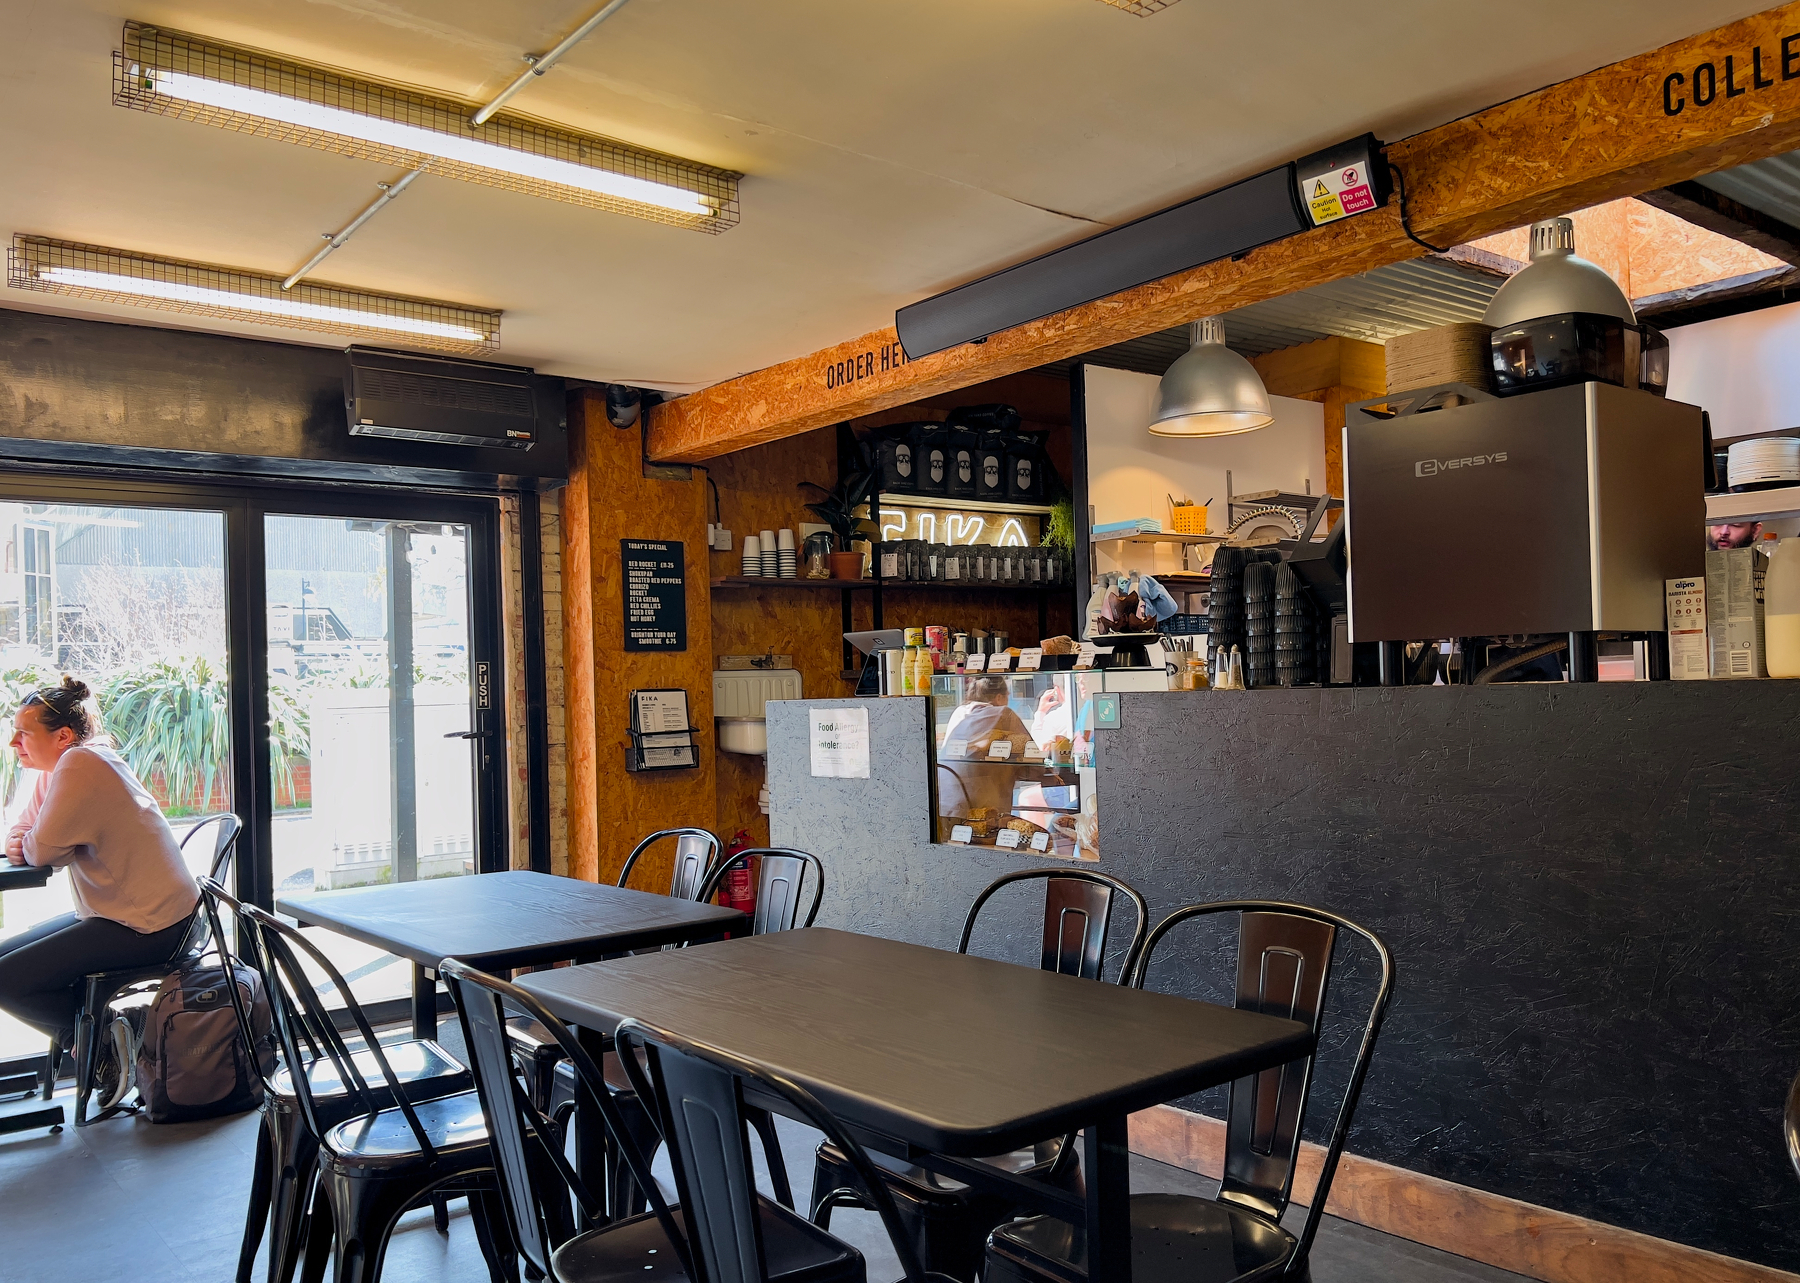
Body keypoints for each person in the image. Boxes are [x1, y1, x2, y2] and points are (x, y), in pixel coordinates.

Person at [0, 677, 198, 1109]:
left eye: (24, 733)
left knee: (5, 978)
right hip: (132, 915)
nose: (14, 741)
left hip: (152, 924)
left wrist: (27, 840)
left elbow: (41, 850)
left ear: (63, 736)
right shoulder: (67, 765)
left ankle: (105, 1047)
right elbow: (25, 832)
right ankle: (111, 1033)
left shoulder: (80, 765)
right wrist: (26, 838)